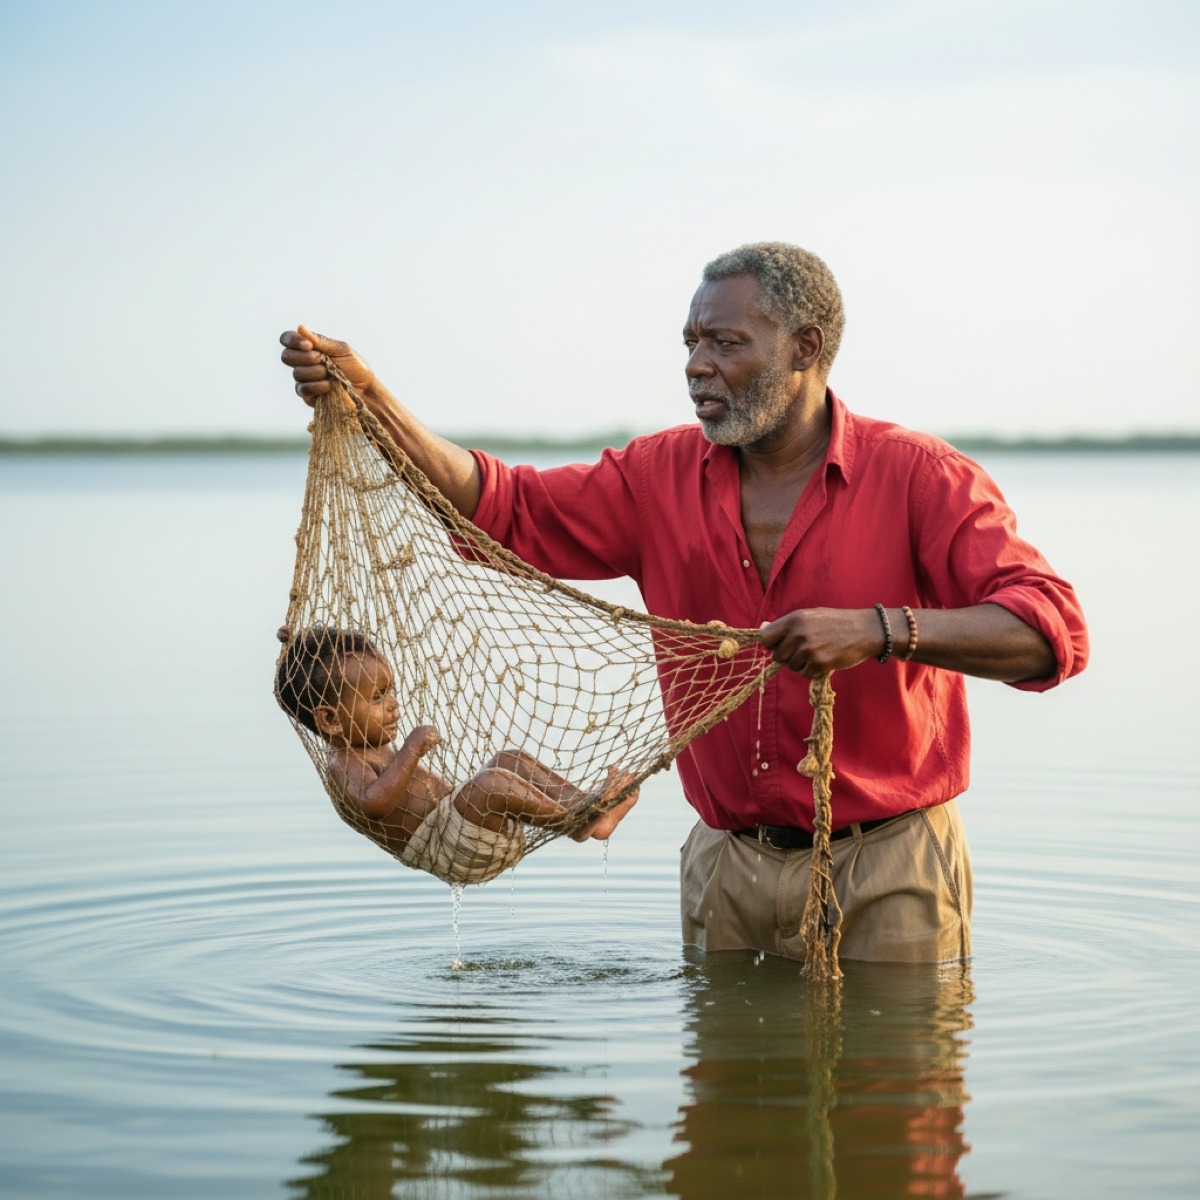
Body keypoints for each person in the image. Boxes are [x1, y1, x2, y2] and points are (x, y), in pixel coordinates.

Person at [279, 241, 1089, 960]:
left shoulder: (919, 474)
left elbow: (1050, 632)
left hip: (892, 863)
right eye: (691, 343)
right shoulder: (654, 477)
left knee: (892, 1120)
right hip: (724, 867)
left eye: (726, 343)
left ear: (805, 348)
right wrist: (370, 395)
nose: (697, 364)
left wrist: (878, 630)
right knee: (717, 1129)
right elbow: (502, 505)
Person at [275, 626, 633, 885]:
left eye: (390, 692)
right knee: (491, 784)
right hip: (448, 848)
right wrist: (411, 751)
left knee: (508, 760)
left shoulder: (370, 744)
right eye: (377, 698)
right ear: (329, 719)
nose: (394, 704)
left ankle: (582, 804)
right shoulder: (343, 763)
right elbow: (373, 804)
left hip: (463, 825)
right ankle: (576, 822)